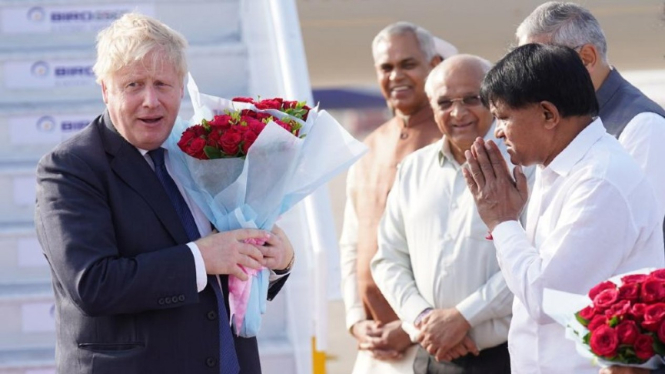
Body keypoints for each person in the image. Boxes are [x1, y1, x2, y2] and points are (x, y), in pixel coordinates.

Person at [34, 13, 294, 374]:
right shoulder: (70, 168)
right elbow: (93, 284)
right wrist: (202, 258)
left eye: (162, 83)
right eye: (133, 85)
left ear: (182, 87)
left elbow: (232, 278)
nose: (150, 101)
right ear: (105, 91)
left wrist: (275, 260)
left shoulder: (203, 151)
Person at [463, 43, 665, 374]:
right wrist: (509, 223)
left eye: (503, 117)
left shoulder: (600, 180)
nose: (497, 131)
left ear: (548, 114)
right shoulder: (557, 164)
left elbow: (544, 296)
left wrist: (503, 223)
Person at [370, 54, 526, 374]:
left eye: (472, 99)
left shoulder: (524, 166)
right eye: (444, 103)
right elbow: (387, 259)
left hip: (507, 357)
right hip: (432, 357)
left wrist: (462, 318)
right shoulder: (414, 168)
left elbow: (533, 261)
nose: (458, 113)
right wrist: (425, 319)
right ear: (431, 105)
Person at [339, 21, 448, 373]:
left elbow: (462, 252)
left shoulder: (454, 143)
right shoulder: (369, 146)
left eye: (408, 64)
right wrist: (356, 320)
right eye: (386, 67)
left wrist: (411, 326)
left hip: (433, 342)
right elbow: (352, 244)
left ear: (434, 67)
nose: (396, 75)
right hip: (373, 347)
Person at [516, 1, 665, 228]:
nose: (530, 82)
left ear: (587, 58)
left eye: (540, 67)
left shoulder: (643, 126)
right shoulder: (564, 121)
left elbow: (635, 230)